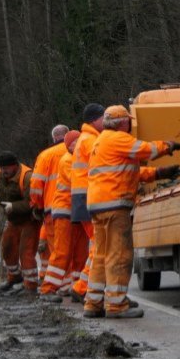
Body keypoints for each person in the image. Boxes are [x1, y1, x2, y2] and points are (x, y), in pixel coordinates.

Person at [83, 105, 180, 319]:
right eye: (128, 121)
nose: (130, 125)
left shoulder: (102, 140)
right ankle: (117, 305)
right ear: (123, 122)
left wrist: (159, 173)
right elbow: (146, 150)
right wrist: (169, 145)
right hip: (114, 205)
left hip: (98, 205)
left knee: (101, 255)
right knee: (119, 255)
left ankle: (93, 302)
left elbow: (129, 171)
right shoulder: (119, 138)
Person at [39, 130, 89, 302]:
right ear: (70, 145)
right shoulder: (68, 161)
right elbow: (79, 181)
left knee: (80, 253)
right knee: (62, 252)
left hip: (77, 211)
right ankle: (47, 289)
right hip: (65, 211)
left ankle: (78, 287)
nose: (81, 144)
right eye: (77, 142)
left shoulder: (76, 159)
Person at [0, 151, 40, 292]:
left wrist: (13, 206)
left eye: (6, 168)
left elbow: (31, 202)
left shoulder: (27, 177)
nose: (3, 171)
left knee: (26, 252)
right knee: (7, 247)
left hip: (29, 220)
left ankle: (30, 285)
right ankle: (14, 276)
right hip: (13, 220)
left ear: (14, 166)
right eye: (2, 168)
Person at [69, 103, 105, 302]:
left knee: (97, 247)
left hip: (84, 200)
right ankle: (83, 288)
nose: (106, 121)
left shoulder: (86, 139)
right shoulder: (91, 141)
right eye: (103, 117)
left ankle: (83, 287)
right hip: (89, 199)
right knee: (98, 247)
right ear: (94, 120)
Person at [30, 124, 69, 284]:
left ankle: (63, 284)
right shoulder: (78, 150)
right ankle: (77, 283)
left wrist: (37, 206)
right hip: (80, 206)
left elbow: (36, 187)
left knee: (58, 249)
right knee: (78, 249)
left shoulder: (45, 156)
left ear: (54, 138)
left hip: (53, 209)